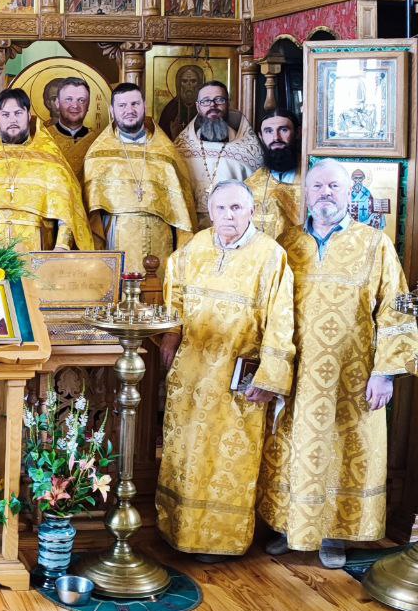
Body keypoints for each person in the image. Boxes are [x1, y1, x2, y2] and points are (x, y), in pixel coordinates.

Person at [259, 160, 418, 568]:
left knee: (342, 451)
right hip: (296, 371)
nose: (325, 193)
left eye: (333, 186)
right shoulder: (287, 243)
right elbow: (267, 305)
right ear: (306, 194)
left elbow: (397, 309)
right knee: (293, 449)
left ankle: (334, 534)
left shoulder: (375, 243)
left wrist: (385, 373)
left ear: (349, 193)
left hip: (352, 374)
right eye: (317, 186)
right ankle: (290, 527)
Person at [156, 180, 294, 561]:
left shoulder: (270, 256)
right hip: (191, 373)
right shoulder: (195, 248)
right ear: (211, 211)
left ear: (251, 211)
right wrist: (171, 334)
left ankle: (219, 541)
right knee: (184, 454)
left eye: (236, 208)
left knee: (227, 460)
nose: (228, 216)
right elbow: (175, 293)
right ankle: (175, 530)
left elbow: (281, 320)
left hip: (237, 376)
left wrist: (270, 375)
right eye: (221, 208)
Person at [84, 82, 196, 272]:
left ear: (144, 106)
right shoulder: (98, 153)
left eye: (135, 104)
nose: (129, 110)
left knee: (158, 287)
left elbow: (182, 210)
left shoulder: (166, 152)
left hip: (160, 238)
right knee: (121, 287)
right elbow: (92, 215)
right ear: (112, 111)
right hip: (118, 238)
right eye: (122, 105)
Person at [0, 88, 93, 251]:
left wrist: (61, 247)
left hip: (36, 249)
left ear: (28, 115)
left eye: (18, 113)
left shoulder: (49, 159)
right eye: (5, 114)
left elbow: (67, 208)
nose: (12, 119)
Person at [173, 81, 262, 219]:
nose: (212, 105)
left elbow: (257, 197)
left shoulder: (248, 150)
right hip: (191, 224)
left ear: (228, 103)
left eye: (219, 100)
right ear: (198, 106)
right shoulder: (182, 149)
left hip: (233, 223)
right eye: (205, 101)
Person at [244, 108, 301, 245]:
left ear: (298, 133)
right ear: (261, 136)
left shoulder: (312, 177)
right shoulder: (251, 184)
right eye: (268, 131)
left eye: (283, 130)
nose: (276, 138)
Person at [43, 76, 100, 179]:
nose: (75, 105)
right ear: (57, 103)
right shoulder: (43, 138)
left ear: (88, 105)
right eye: (68, 99)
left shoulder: (99, 141)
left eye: (81, 100)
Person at [157, 63, 206, 140]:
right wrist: (174, 136)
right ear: (179, 84)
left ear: (199, 84)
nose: (189, 85)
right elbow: (161, 139)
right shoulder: (170, 109)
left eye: (193, 81)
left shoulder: (205, 107)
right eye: (184, 81)